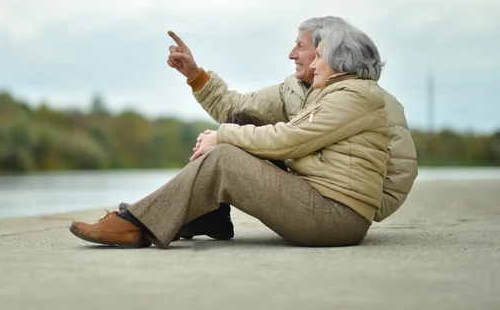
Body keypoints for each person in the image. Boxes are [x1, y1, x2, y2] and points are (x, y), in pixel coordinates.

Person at [70, 23, 391, 248]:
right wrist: (196, 77)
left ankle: (136, 223)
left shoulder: (355, 95)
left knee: (224, 156)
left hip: (336, 217)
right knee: (233, 137)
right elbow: (241, 109)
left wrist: (224, 137)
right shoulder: (333, 92)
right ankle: (174, 217)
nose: (305, 59)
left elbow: (294, 139)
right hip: (323, 202)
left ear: (339, 59)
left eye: (316, 54)